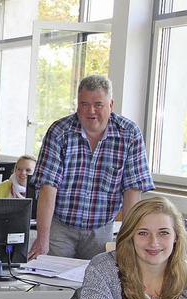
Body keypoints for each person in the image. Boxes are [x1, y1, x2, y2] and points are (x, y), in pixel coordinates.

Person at [29, 75, 155, 261]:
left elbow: (132, 191)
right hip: (60, 225)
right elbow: (48, 187)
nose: (91, 110)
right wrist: (42, 238)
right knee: (51, 283)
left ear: (111, 104)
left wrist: (128, 239)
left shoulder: (129, 134)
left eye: (98, 104)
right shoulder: (59, 132)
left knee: (97, 284)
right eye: (84, 104)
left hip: (101, 228)